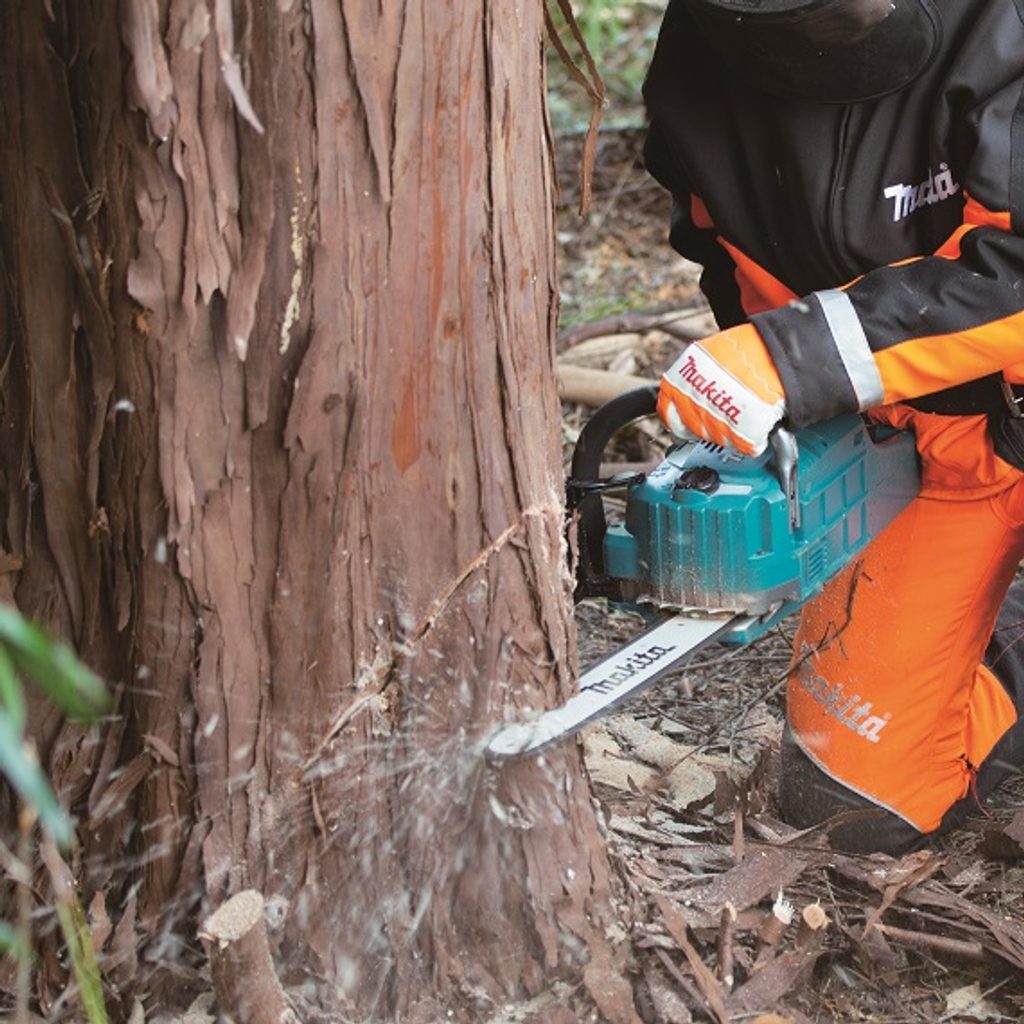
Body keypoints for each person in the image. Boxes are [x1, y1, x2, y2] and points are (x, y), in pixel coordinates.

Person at [644, 0, 1024, 852]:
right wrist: (786, 401)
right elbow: (728, 260)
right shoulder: (702, 63)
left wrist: (794, 356)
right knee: (856, 799)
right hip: (939, 446)